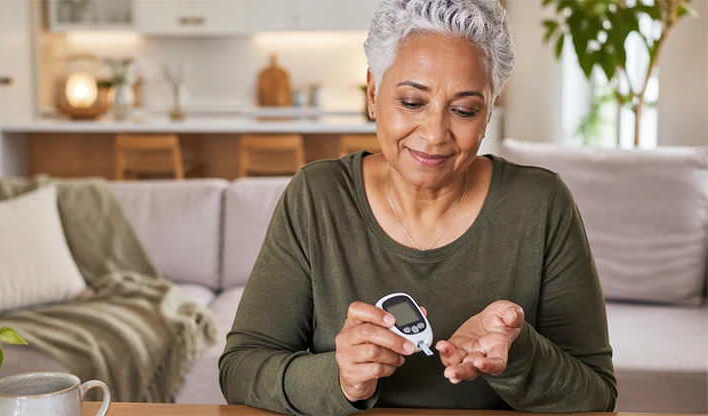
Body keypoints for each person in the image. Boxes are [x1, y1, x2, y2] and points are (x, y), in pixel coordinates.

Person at [219, 0, 616, 414]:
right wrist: (339, 379)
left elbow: (597, 395)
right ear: (373, 93)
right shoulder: (318, 197)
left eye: (464, 110)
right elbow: (240, 369)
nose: (434, 134)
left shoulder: (541, 204)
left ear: (488, 112)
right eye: (411, 102)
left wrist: (516, 355)